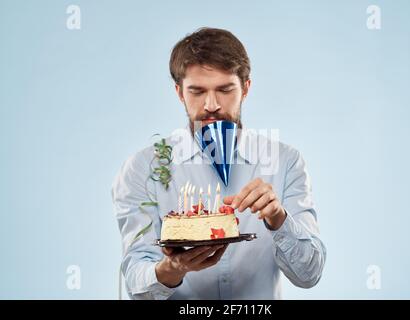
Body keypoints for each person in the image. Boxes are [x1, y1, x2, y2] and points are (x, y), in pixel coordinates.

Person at [112, 27, 326, 300]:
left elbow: (310, 274)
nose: (211, 105)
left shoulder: (285, 161)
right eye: (197, 91)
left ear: (245, 88)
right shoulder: (142, 169)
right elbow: (135, 283)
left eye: (225, 90)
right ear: (179, 93)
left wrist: (278, 218)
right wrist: (172, 268)